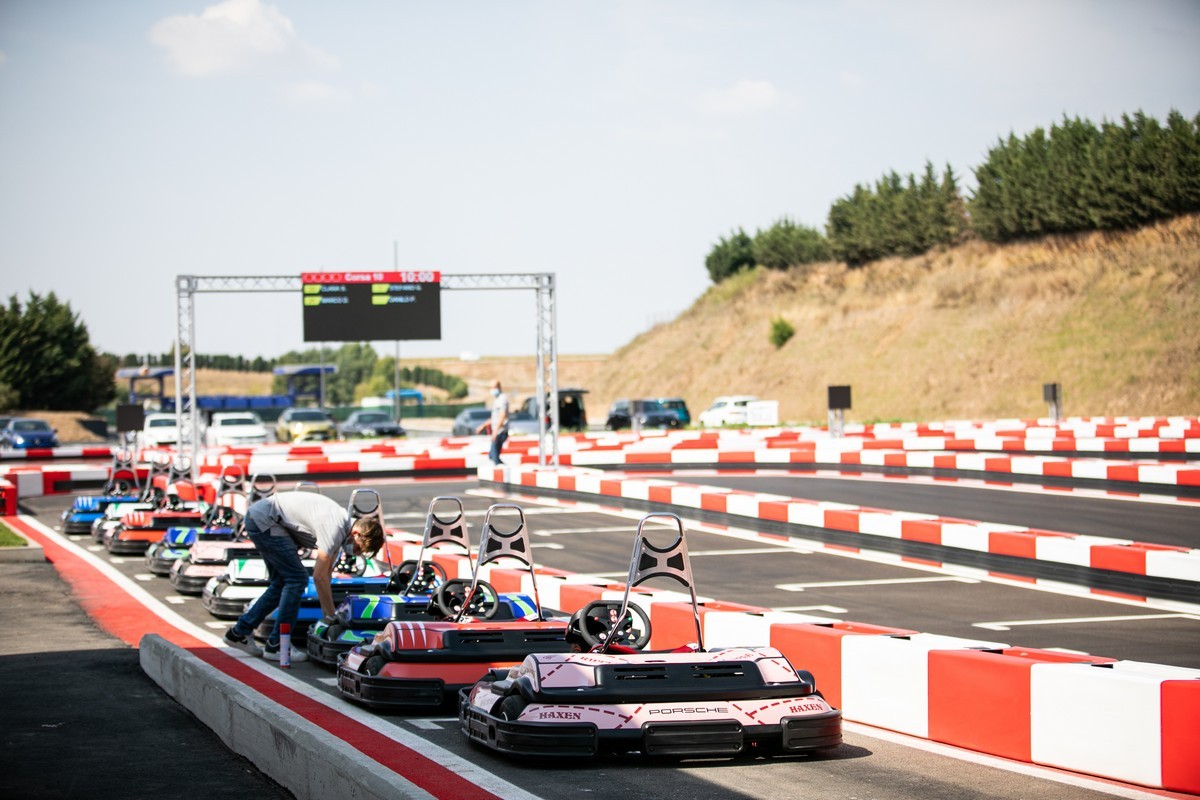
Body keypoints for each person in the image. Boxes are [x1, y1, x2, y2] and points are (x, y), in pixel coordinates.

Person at [223, 490, 385, 662]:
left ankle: (239, 633)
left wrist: (331, 615)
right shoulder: (334, 527)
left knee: (281, 583)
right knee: (297, 580)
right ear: (356, 534)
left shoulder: (342, 528)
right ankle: (278, 644)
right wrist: (330, 619)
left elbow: (327, 574)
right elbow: (319, 577)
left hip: (262, 518)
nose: (355, 552)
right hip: (266, 521)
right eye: (359, 548)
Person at [476, 379, 509, 465]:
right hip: (496, 431)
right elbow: (494, 418)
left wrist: (495, 431)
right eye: (491, 388)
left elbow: (502, 416)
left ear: (499, 387)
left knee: (494, 456)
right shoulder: (497, 399)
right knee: (492, 455)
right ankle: (502, 469)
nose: (492, 390)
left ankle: (504, 472)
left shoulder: (502, 399)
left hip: (500, 432)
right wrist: (483, 426)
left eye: (494, 387)